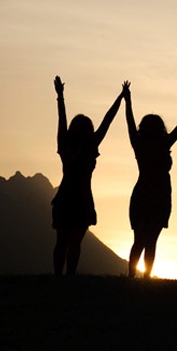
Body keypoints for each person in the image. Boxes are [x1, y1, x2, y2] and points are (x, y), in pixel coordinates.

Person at [122, 82, 177, 278]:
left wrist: (127, 100)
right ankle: (146, 277)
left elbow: (130, 122)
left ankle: (131, 276)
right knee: (151, 242)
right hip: (159, 196)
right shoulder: (165, 143)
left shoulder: (139, 144)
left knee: (139, 240)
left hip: (143, 194)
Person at [51, 75, 124, 275]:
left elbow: (62, 119)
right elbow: (107, 121)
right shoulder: (90, 146)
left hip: (66, 197)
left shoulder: (66, 144)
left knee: (62, 241)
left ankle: (58, 277)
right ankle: (69, 276)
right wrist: (121, 97)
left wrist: (60, 97)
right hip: (82, 198)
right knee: (74, 243)